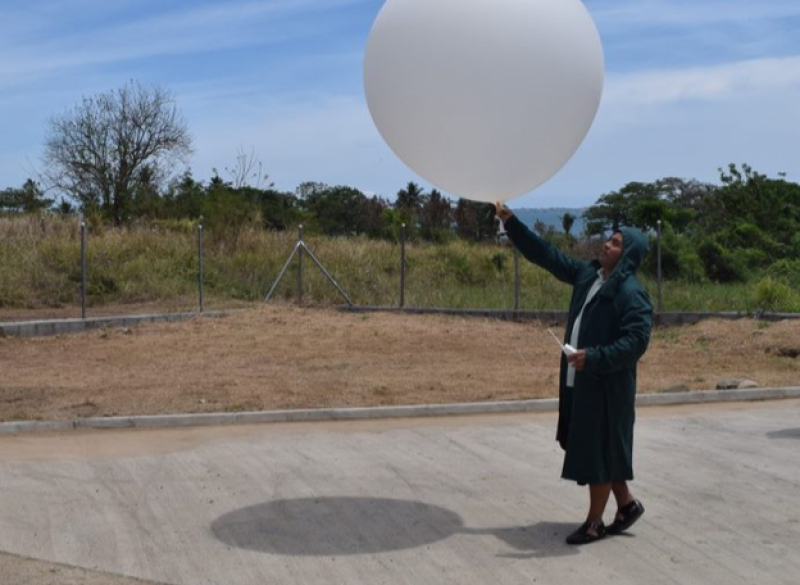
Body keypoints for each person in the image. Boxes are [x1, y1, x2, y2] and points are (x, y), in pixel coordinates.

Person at [495, 202, 652, 545]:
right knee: (602, 449)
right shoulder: (589, 276)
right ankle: (625, 506)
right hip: (582, 382)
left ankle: (594, 523)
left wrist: (594, 358)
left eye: (616, 243)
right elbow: (548, 255)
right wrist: (512, 224)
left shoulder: (631, 293)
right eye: (609, 240)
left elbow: (636, 342)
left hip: (607, 388)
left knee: (599, 454)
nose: (607, 245)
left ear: (629, 256)